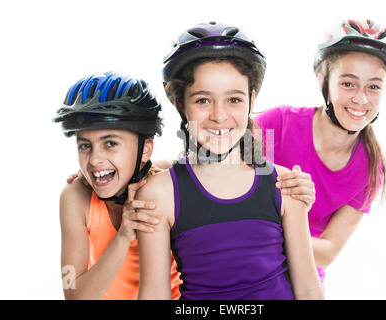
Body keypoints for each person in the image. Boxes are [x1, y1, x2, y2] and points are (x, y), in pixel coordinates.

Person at [136, 22, 324, 300]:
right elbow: (153, 293)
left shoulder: (285, 185)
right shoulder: (159, 195)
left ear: (251, 99)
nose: (219, 115)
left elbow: (309, 290)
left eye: (234, 99)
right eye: (202, 100)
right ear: (180, 104)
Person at [254, 19, 386, 287]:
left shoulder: (371, 169)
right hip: (243, 262)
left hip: (300, 281)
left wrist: (258, 232)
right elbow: (213, 170)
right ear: (324, 82)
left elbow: (327, 252)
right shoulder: (277, 124)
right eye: (348, 83)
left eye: (374, 86)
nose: (361, 99)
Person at [53, 71, 181, 299]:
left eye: (110, 143)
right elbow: (73, 295)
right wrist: (124, 235)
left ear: (146, 149)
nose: (94, 160)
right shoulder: (75, 198)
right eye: (85, 146)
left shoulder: (168, 185)